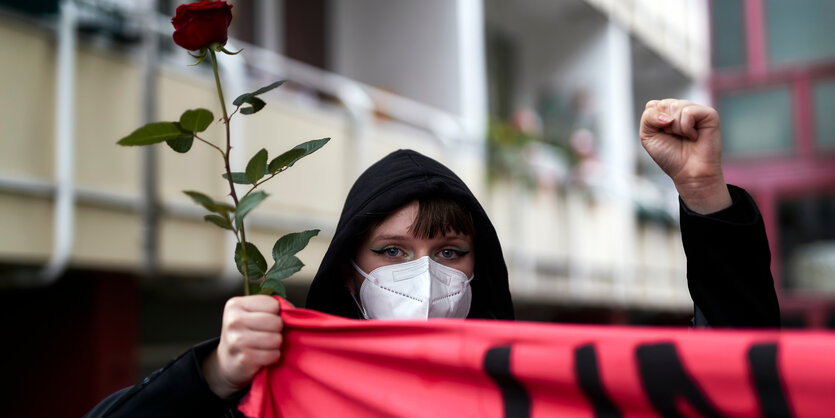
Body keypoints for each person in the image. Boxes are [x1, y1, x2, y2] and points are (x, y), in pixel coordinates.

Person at [85, 99, 780, 417]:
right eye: (391, 251)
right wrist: (211, 376)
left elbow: (725, 375)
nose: (424, 273)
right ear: (346, 269)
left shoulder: (537, 384)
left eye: (449, 250)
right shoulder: (284, 388)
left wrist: (703, 196)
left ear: (482, 267)